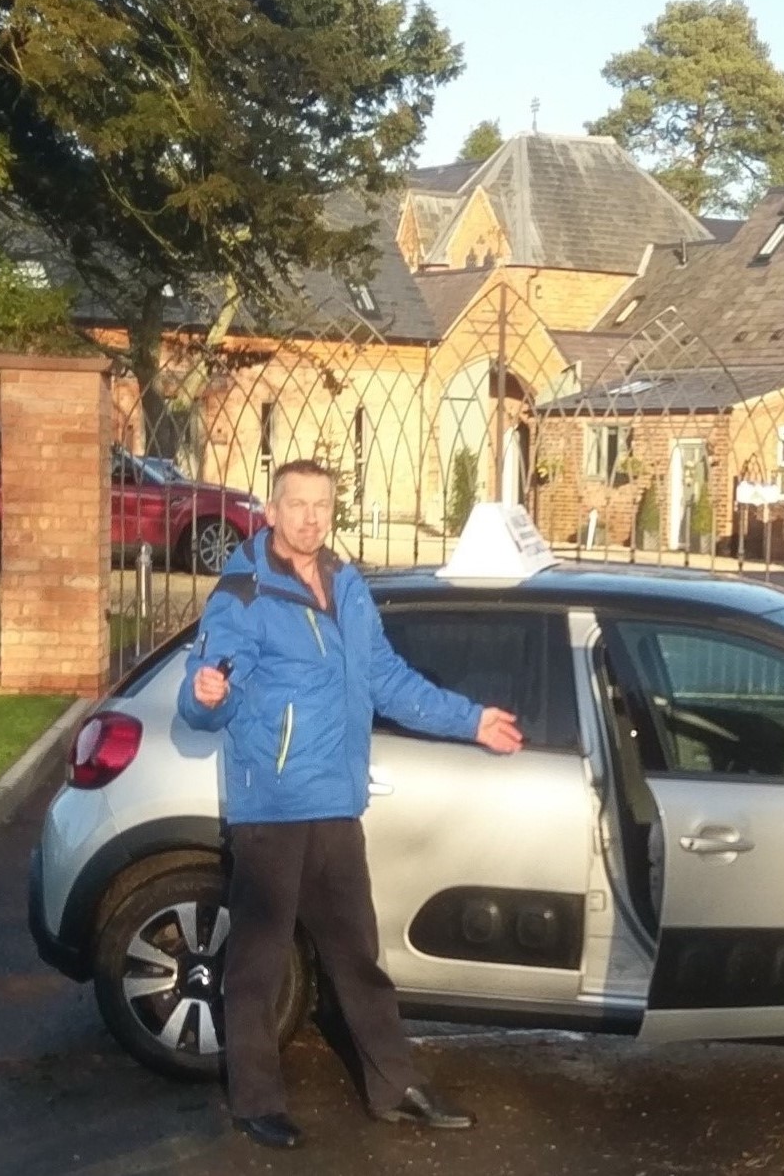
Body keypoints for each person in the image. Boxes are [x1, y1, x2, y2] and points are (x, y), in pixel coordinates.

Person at [178, 459, 525, 1150]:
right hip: (272, 806)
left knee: (358, 958)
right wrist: (204, 693)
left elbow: (386, 679)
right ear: (271, 511)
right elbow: (204, 691)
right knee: (257, 963)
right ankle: (255, 1099)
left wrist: (470, 720)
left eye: (322, 505)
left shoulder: (347, 584)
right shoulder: (244, 594)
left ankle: (395, 1088)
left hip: (336, 804)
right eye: (297, 504)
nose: (310, 517)